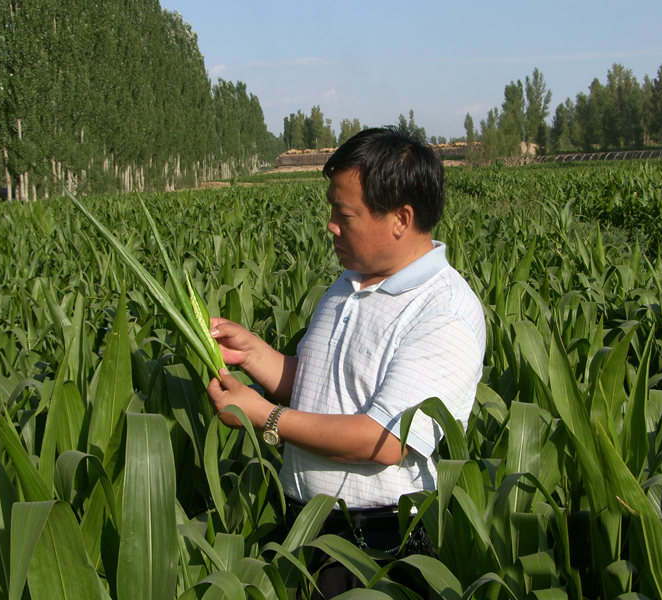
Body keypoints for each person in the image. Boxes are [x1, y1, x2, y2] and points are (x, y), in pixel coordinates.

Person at [206, 127, 486, 597]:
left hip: (373, 545)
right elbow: (320, 389)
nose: (331, 225)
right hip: (307, 527)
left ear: (401, 218)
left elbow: (385, 440)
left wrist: (267, 418)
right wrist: (253, 354)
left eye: (345, 213)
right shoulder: (349, 282)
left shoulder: (444, 312)